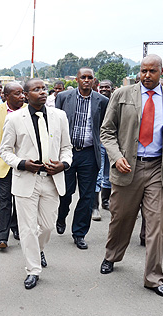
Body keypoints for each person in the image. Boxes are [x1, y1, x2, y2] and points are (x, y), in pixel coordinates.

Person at [99, 54, 163, 299]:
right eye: (143, 71)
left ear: (161, 72)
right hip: (127, 168)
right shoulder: (122, 95)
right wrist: (116, 156)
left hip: (157, 168)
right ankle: (111, 255)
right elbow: (107, 131)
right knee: (121, 218)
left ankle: (154, 278)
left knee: (156, 227)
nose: (146, 75)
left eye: (152, 71)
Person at [0, 78, 72, 289]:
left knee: (48, 226)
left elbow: (67, 147)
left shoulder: (59, 116)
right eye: (36, 89)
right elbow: (5, 151)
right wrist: (22, 163)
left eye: (43, 89)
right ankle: (33, 270)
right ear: (25, 94)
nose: (42, 92)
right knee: (28, 228)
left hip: (51, 180)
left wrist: (64, 164)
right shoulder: (15, 119)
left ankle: (38, 249)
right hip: (26, 180)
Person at [55, 67, 109, 249]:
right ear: (77, 79)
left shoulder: (102, 101)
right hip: (67, 153)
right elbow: (55, 125)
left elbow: (104, 127)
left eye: (90, 78)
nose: (86, 80)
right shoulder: (63, 97)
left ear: (94, 81)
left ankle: (79, 233)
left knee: (87, 196)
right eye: (83, 77)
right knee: (65, 193)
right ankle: (61, 216)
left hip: (89, 153)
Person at [0, 82, 26, 248]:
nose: (22, 96)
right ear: (6, 96)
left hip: (25, 165)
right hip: (3, 164)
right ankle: (2, 237)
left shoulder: (29, 110)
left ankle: (16, 227)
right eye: (17, 94)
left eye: (23, 93)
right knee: (4, 201)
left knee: (20, 200)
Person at [92, 79, 113, 221]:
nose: (104, 89)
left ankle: (106, 202)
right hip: (99, 142)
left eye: (107, 87)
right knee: (98, 174)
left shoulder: (116, 101)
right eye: (102, 87)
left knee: (109, 174)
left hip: (111, 143)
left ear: (112, 89)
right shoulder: (97, 101)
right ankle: (95, 207)